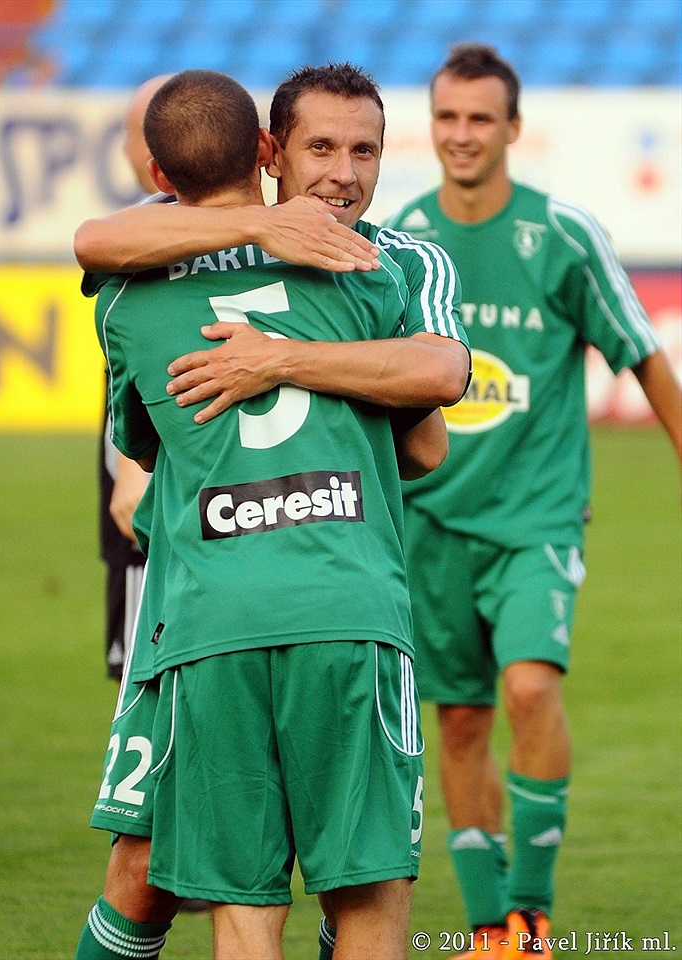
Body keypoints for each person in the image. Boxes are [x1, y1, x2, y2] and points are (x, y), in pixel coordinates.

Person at [76, 67, 470, 960]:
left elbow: (138, 443)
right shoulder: (383, 270)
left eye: (363, 149)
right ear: (268, 152)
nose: (343, 171)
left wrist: (277, 362)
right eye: (322, 148)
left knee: (232, 904)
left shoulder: (136, 295)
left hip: (210, 621)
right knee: (368, 894)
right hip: (344, 605)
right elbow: (431, 436)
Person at [381, 42, 682, 959]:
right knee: (463, 718)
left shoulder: (560, 235)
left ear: (514, 129)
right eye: (447, 117)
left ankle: (535, 913)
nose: (462, 134)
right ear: (429, 126)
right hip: (430, 520)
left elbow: (644, 355)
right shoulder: (400, 240)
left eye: (481, 118)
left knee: (527, 688)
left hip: (537, 522)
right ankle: (487, 931)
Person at [99, 75, 172, 686]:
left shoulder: (140, 247)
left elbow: (93, 242)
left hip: (161, 499)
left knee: (145, 701)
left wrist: (129, 467)